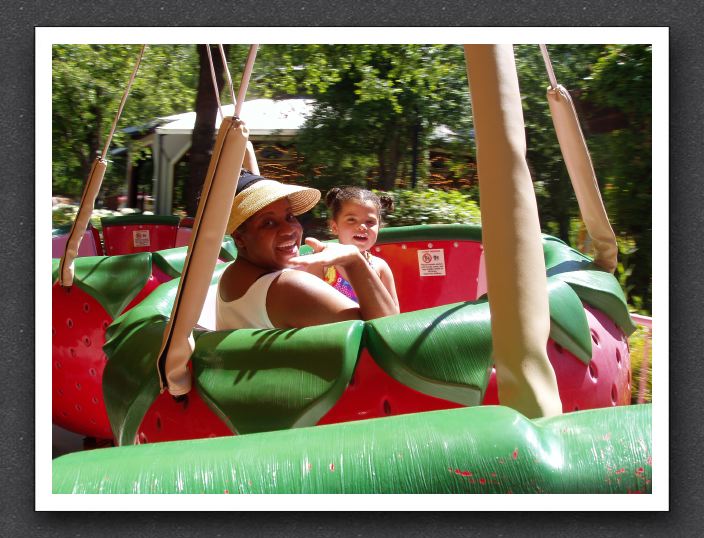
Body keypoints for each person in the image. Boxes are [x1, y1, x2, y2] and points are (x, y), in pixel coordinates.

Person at [215, 172, 399, 330]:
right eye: (268, 223)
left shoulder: (231, 274)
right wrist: (353, 260)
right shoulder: (288, 286)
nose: (289, 229)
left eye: (290, 216)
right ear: (239, 238)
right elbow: (390, 334)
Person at [315, 186, 399, 311]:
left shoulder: (380, 267)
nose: (362, 227)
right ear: (334, 227)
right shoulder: (322, 264)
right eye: (351, 220)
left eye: (370, 222)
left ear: (379, 227)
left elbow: (393, 313)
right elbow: (313, 308)